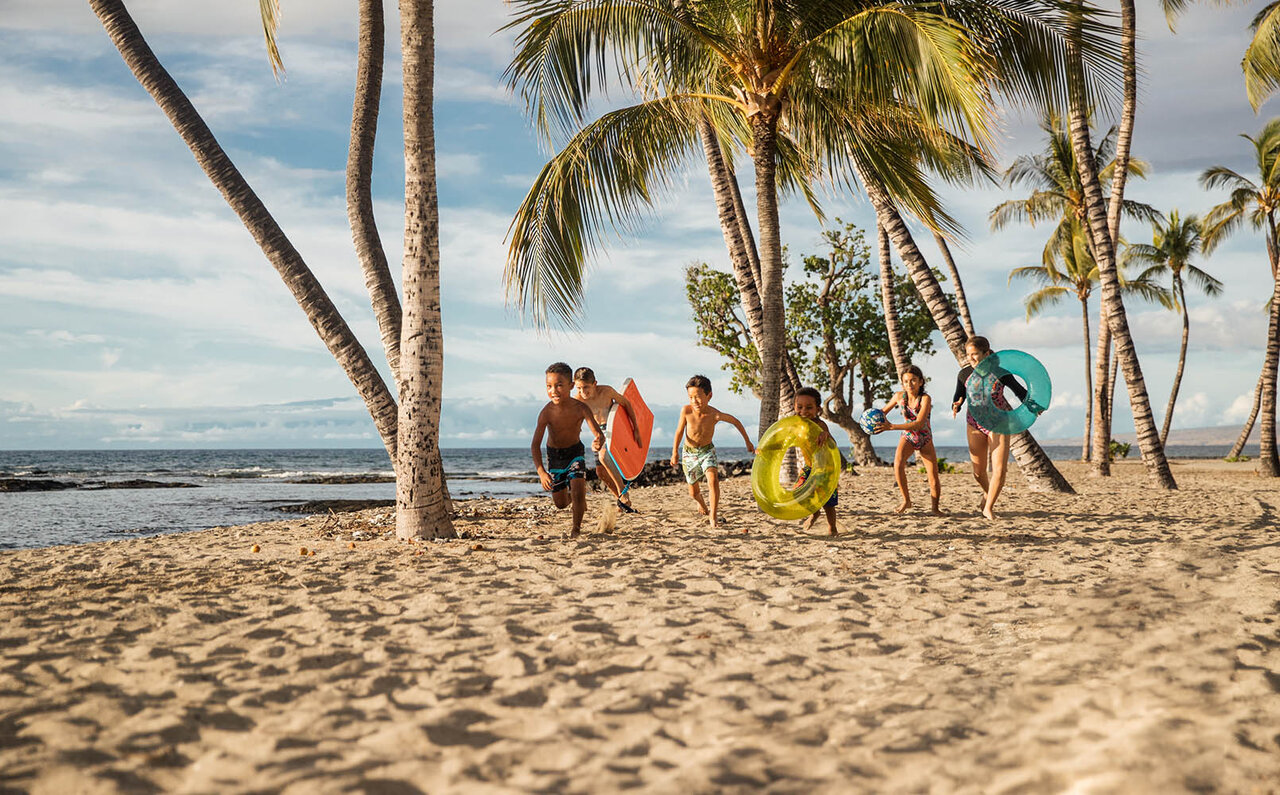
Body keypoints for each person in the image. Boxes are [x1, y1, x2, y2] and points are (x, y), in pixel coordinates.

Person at [950, 336, 1027, 520]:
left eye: (975, 354)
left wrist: (1033, 407)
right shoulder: (964, 374)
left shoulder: (1001, 372)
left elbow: (1021, 392)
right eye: (969, 355)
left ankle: (989, 508)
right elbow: (958, 395)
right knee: (978, 472)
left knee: (999, 469)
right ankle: (987, 493)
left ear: (986, 353)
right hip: (974, 423)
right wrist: (956, 404)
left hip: (998, 422)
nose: (971, 358)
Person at [670, 375, 755, 529]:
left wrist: (747, 441)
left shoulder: (715, 414)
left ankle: (713, 516)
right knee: (693, 493)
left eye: (698, 397)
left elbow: (736, 421)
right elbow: (678, 432)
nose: (694, 401)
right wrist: (674, 452)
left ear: (709, 395)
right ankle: (702, 504)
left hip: (707, 451)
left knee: (713, 479)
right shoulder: (686, 411)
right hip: (689, 453)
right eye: (691, 397)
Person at [532, 362, 605, 537]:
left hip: (575, 453)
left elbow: (598, 433)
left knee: (579, 490)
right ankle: (574, 500)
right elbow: (535, 444)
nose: (554, 390)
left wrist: (598, 441)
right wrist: (541, 472)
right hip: (555, 456)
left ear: (571, 386)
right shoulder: (546, 413)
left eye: (559, 385)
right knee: (560, 503)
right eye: (549, 386)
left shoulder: (581, 408)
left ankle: (576, 529)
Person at [573, 367, 642, 513]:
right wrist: (594, 440)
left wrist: (635, 428)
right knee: (601, 473)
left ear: (594, 383)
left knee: (603, 456)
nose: (583, 392)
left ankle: (623, 492)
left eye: (586, 387)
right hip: (599, 433)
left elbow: (626, 404)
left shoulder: (607, 392)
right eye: (579, 388)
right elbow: (576, 424)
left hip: (615, 428)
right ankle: (623, 501)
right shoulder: (577, 401)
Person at [879, 365, 944, 516]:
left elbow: (919, 423)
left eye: (913, 380)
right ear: (902, 383)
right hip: (907, 437)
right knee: (898, 465)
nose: (910, 384)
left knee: (933, 476)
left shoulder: (925, 399)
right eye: (906, 381)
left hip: (925, 438)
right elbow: (882, 413)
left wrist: (891, 426)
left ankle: (935, 508)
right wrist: (871, 421)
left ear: (921, 382)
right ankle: (906, 501)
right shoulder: (898, 397)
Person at [792, 387, 839, 535]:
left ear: (818, 409)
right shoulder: (795, 425)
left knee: (828, 504)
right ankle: (815, 512)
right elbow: (783, 441)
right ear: (794, 406)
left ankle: (832, 527)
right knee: (798, 492)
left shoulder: (820, 425)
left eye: (809, 407)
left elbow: (833, 444)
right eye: (799, 407)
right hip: (809, 467)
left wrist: (825, 435)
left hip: (826, 469)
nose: (804, 411)